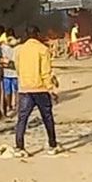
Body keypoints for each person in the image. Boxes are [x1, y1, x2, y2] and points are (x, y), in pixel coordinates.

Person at [14, 25, 58, 155]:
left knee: (22, 118)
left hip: (25, 88)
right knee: (47, 117)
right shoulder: (43, 49)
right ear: (37, 34)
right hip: (40, 88)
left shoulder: (19, 50)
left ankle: (19, 147)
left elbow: (17, 68)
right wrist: (51, 89)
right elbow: (45, 72)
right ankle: (52, 145)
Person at [0, 29, 20, 117]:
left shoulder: (3, 46)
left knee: (7, 91)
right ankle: (17, 106)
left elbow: (0, 58)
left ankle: (9, 106)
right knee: (17, 91)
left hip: (6, 72)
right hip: (16, 71)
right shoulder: (18, 46)